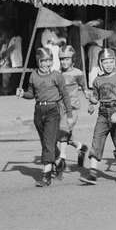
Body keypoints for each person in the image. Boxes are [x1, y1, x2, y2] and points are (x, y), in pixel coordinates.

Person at [16, 47, 72, 187]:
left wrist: (69, 114)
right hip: (39, 111)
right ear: (38, 61)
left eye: (49, 60)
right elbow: (31, 94)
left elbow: (65, 95)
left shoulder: (56, 76)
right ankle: (58, 162)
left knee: (48, 143)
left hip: (53, 110)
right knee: (48, 143)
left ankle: (46, 175)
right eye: (44, 61)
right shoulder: (33, 75)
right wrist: (23, 94)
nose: (47, 64)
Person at [82, 48, 116, 184]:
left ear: (114, 62)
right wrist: (91, 103)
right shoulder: (97, 80)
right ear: (100, 64)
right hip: (102, 113)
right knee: (97, 139)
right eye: (105, 62)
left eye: (110, 62)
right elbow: (96, 98)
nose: (108, 65)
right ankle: (92, 173)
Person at [55, 44, 89, 174]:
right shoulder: (57, 74)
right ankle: (81, 147)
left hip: (73, 108)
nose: (64, 62)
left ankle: (62, 158)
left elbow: (85, 88)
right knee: (66, 136)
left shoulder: (78, 73)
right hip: (60, 108)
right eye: (62, 59)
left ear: (73, 60)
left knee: (63, 131)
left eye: (67, 59)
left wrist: (89, 98)